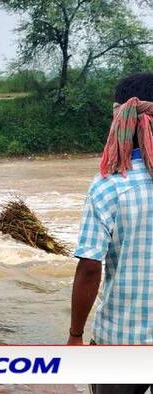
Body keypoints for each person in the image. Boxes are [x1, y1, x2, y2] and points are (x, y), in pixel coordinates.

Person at [70, 72, 153, 392]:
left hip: (121, 343)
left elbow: (90, 267)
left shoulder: (108, 186)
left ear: (120, 121)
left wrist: (75, 335)